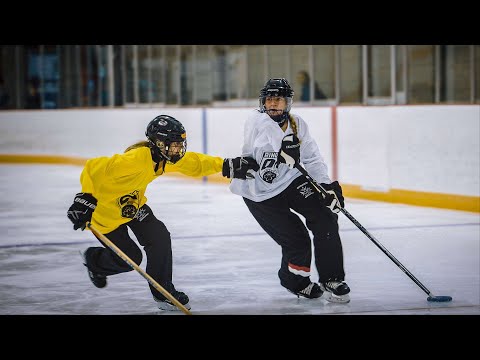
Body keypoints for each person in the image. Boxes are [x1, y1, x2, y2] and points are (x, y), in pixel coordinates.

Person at [67, 114, 259, 311]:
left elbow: (194, 162)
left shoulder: (165, 158)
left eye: (179, 144)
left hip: (133, 207)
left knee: (159, 236)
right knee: (130, 259)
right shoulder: (137, 158)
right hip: (105, 216)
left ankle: (162, 292)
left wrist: (227, 165)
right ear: (158, 143)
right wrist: (85, 198)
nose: (178, 149)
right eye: (174, 145)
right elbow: (93, 168)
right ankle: (95, 260)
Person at [228, 78, 350, 303]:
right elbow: (266, 134)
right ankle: (296, 282)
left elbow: (312, 157)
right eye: (269, 99)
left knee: (325, 217)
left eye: (279, 100)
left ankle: (332, 277)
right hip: (259, 191)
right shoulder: (256, 120)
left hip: (290, 181)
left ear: (288, 103)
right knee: (297, 239)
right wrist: (284, 145)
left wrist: (325, 186)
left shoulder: (297, 124)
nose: (273, 104)